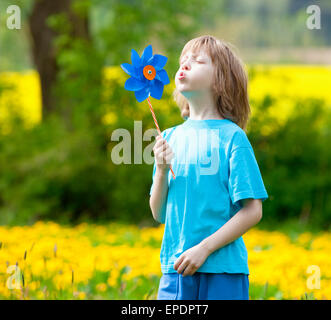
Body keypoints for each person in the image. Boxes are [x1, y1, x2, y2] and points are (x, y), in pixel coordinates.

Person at [149, 35, 268, 300]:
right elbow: (159, 213)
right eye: (183, 61)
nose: (185, 65)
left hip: (222, 271)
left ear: (220, 81)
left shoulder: (232, 137)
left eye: (197, 61)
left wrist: (204, 248)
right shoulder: (169, 137)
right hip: (176, 268)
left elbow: (253, 210)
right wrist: (160, 170)